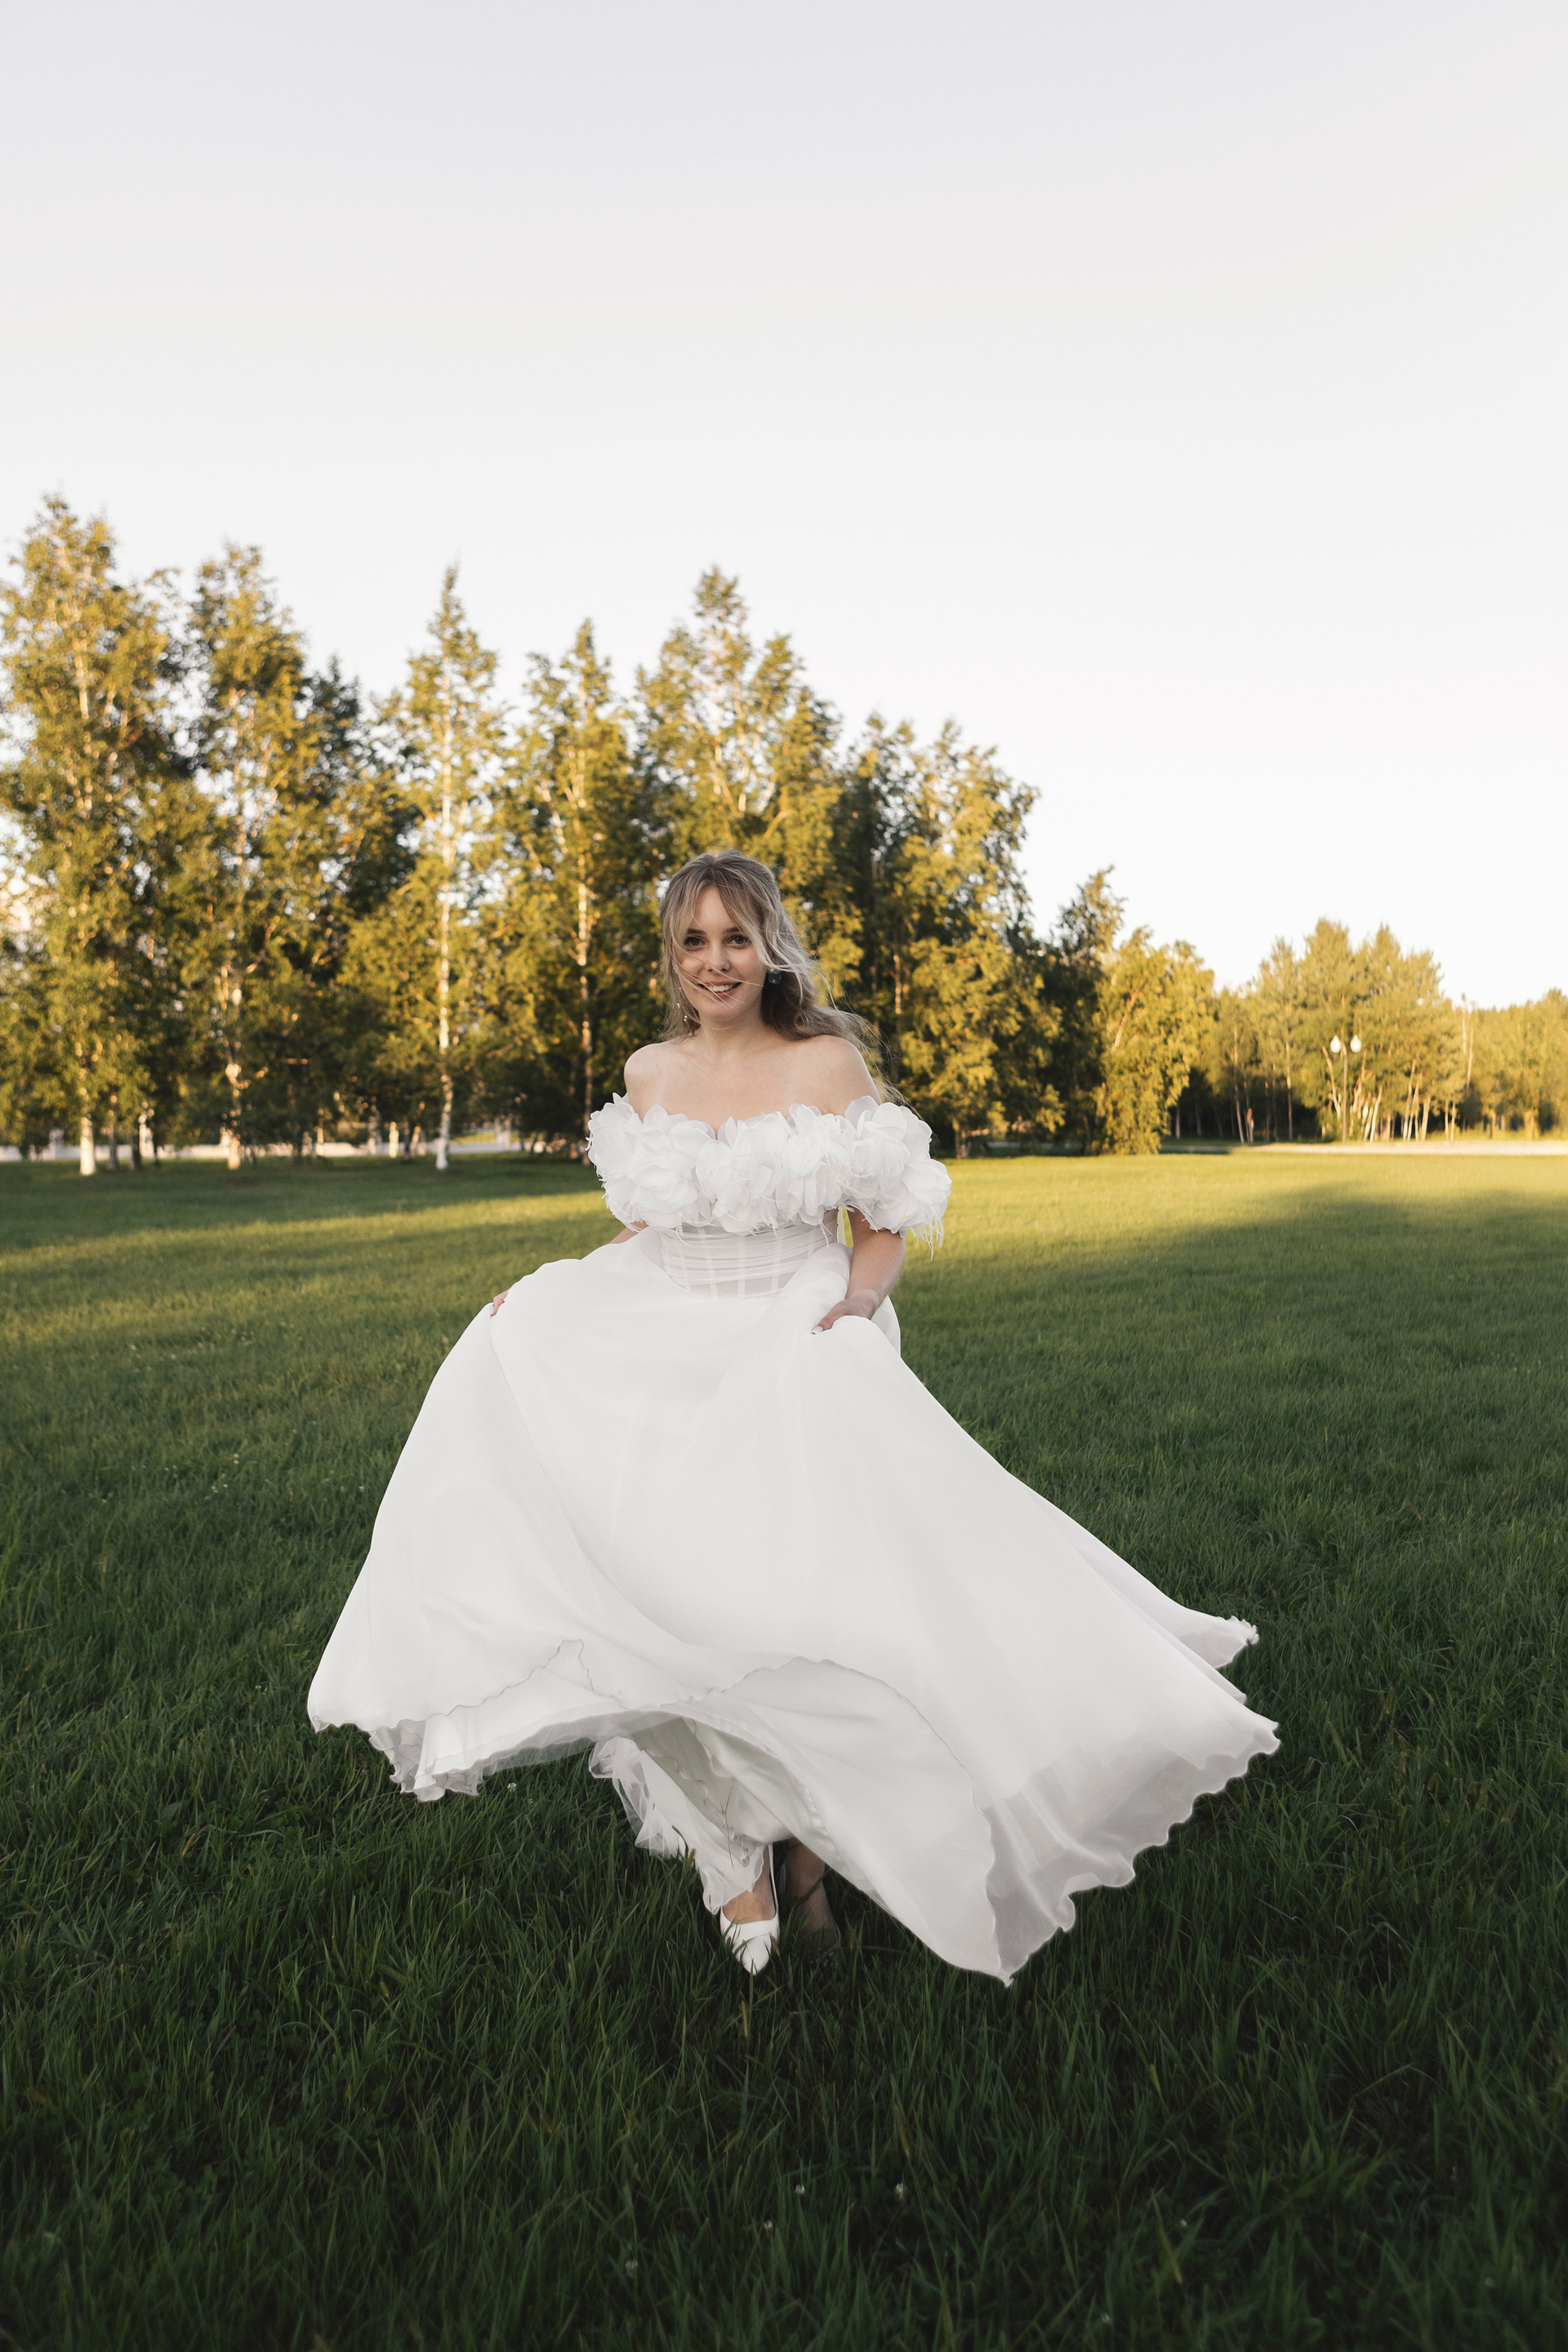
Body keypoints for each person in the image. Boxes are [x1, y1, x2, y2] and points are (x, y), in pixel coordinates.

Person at [309, 850, 1277, 1980]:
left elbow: (883, 1224)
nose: (715, 961)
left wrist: (856, 1309)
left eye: (736, 937)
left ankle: (811, 1858)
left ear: (771, 946)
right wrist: (553, 1292)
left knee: (814, 1613)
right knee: (660, 1609)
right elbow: (655, 1224)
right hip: (664, 1353)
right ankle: (732, 1854)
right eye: (693, 941)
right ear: (672, 957)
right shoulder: (649, 1072)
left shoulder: (825, 1062)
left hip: (794, 1339)